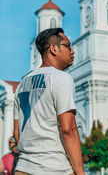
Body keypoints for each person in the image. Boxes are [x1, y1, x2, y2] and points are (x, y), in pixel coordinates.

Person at [13, 28, 84, 175]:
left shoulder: (22, 84)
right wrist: (80, 172)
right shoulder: (60, 78)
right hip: (55, 168)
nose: (73, 51)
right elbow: (68, 129)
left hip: (23, 168)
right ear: (53, 49)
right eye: (68, 46)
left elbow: (17, 132)